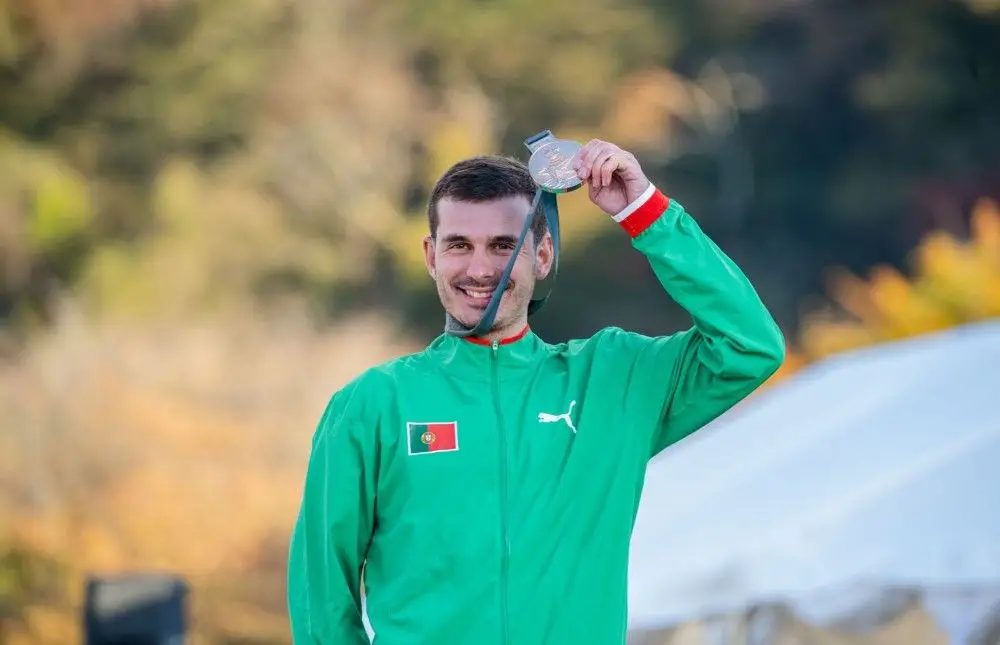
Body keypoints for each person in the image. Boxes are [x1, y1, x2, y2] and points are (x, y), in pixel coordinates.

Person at [286, 139, 785, 644]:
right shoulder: (373, 403)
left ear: (543, 255)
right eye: (460, 245)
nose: (480, 270)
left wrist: (645, 211)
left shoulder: (613, 380)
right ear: (431, 255)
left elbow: (750, 346)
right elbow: (321, 592)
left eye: (504, 246)